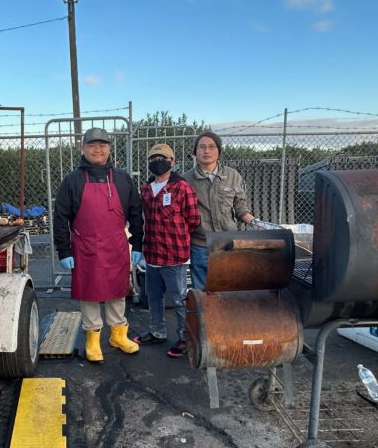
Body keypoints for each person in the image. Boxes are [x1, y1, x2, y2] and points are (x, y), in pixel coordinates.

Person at [53, 127, 144, 363]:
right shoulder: (72, 181)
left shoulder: (123, 179)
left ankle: (118, 335)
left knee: (117, 291)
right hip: (86, 247)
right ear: (83, 148)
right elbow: (61, 217)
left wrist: (138, 243)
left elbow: (135, 212)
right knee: (90, 294)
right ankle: (92, 340)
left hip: (116, 245)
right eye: (92, 145)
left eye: (102, 144)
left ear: (109, 149)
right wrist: (64, 250)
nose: (98, 149)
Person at [134, 143, 200, 358]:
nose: (157, 162)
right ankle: (157, 332)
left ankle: (184, 338)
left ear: (172, 162)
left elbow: (193, 220)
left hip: (174, 256)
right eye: (153, 158)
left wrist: (176, 236)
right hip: (152, 256)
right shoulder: (145, 188)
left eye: (162, 158)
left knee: (180, 299)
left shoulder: (182, 188)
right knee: (153, 297)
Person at [186, 130, 254, 290]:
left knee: (229, 289)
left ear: (219, 151)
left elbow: (239, 205)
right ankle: (204, 316)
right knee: (202, 293)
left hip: (228, 243)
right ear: (195, 152)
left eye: (211, 147)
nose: (207, 151)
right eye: (201, 147)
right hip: (200, 245)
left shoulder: (232, 176)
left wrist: (253, 221)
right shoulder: (186, 179)